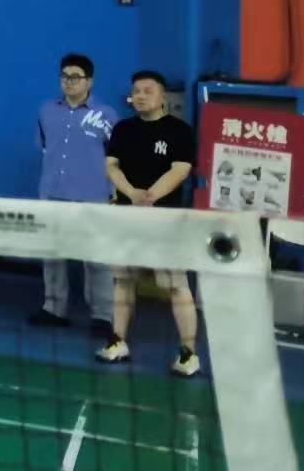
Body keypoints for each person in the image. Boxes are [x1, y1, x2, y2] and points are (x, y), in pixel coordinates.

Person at [97, 70, 200, 376]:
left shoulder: (179, 131)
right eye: (136, 91)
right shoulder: (123, 129)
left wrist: (151, 196)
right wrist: (131, 193)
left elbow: (180, 170)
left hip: (164, 220)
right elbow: (111, 166)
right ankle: (118, 341)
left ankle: (188, 353)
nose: (140, 96)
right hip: (126, 216)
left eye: (147, 91)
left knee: (176, 285)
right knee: (123, 281)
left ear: (162, 96)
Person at [33, 53, 118, 336]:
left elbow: (114, 158)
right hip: (53, 194)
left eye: (76, 77)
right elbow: (45, 146)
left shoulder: (106, 115)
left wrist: (113, 193)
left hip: (93, 197)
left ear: (89, 81)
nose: (69, 82)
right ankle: (53, 308)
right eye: (65, 76)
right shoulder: (46, 110)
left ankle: (103, 316)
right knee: (52, 255)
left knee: (97, 259)